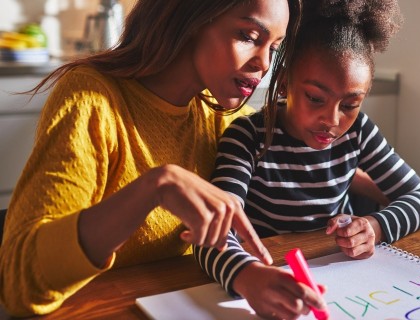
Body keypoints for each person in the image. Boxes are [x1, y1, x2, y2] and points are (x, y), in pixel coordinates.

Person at [0, 0, 303, 316]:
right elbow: (20, 283)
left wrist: (359, 223)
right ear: (190, 17)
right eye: (249, 36)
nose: (264, 63)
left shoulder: (222, 118)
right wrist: (153, 187)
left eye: (274, 48)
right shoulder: (92, 99)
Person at [194, 0, 420, 318]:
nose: (332, 120)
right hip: (272, 276)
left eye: (350, 104)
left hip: (343, 279)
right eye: (315, 98)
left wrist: (374, 228)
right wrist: (246, 275)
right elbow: (213, 233)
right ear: (284, 82)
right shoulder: (248, 136)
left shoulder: (358, 131)